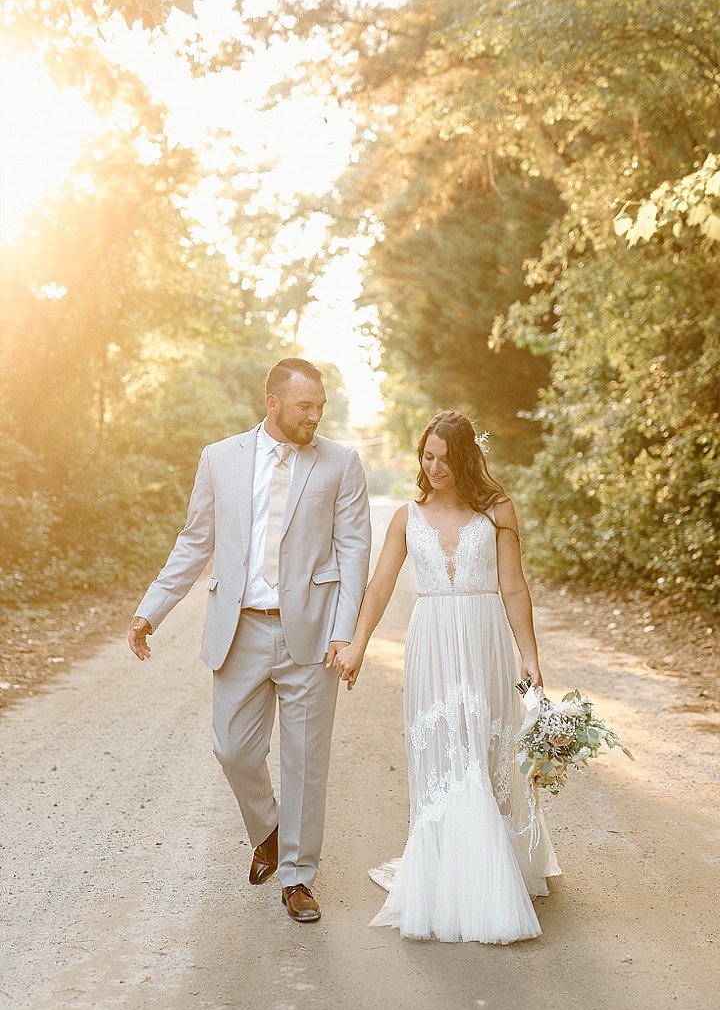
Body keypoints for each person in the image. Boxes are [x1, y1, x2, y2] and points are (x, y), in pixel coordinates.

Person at [128, 358, 371, 924]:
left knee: (306, 761)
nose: (314, 416)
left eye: (320, 407)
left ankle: (298, 877)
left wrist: (346, 633)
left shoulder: (341, 463)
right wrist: (150, 611)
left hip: (308, 633)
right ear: (273, 403)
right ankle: (268, 829)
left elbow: (354, 551)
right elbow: (195, 541)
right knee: (232, 748)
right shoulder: (221, 458)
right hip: (238, 628)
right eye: (304, 406)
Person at [333, 410, 560, 944]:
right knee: (444, 753)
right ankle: (446, 872)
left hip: (484, 641)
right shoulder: (406, 519)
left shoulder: (497, 511)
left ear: (466, 459)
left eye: (445, 458)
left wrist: (529, 656)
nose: (434, 467)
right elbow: (381, 584)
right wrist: (358, 645)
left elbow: (514, 588)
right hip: (432, 642)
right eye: (427, 456)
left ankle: (491, 868)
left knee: (481, 750)